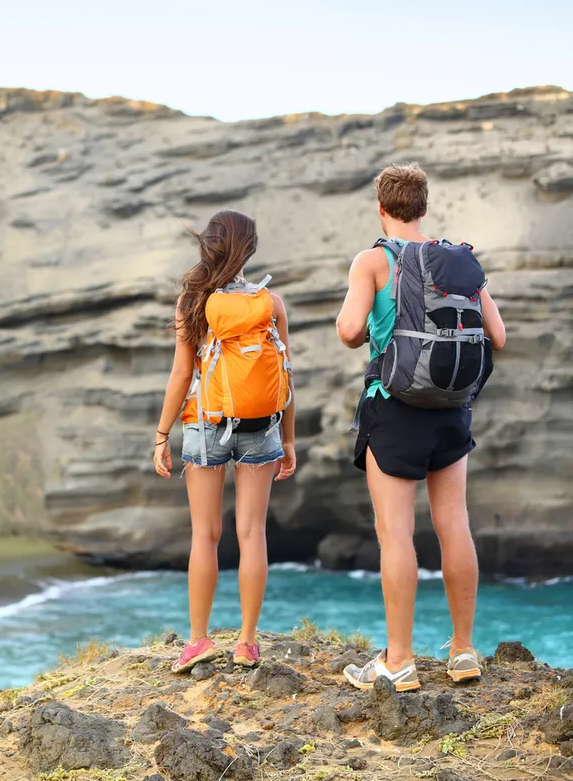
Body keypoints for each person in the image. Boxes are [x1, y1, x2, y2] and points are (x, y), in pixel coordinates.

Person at [335, 162, 506, 692]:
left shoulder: (373, 259)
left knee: (396, 536)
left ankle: (400, 660)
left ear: (381, 208)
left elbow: (347, 331)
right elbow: (497, 335)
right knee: (454, 522)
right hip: (452, 409)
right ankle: (462, 652)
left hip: (395, 408)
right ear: (424, 207)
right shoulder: (456, 259)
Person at [153, 209, 296, 673]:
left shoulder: (193, 300)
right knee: (252, 532)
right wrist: (288, 440)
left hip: (205, 423)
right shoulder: (270, 303)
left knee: (205, 534)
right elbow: (286, 375)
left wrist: (161, 435)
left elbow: (180, 375)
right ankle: (247, 643)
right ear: (249, 249)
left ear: (208, 245)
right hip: (260, 426)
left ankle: (198, 640)